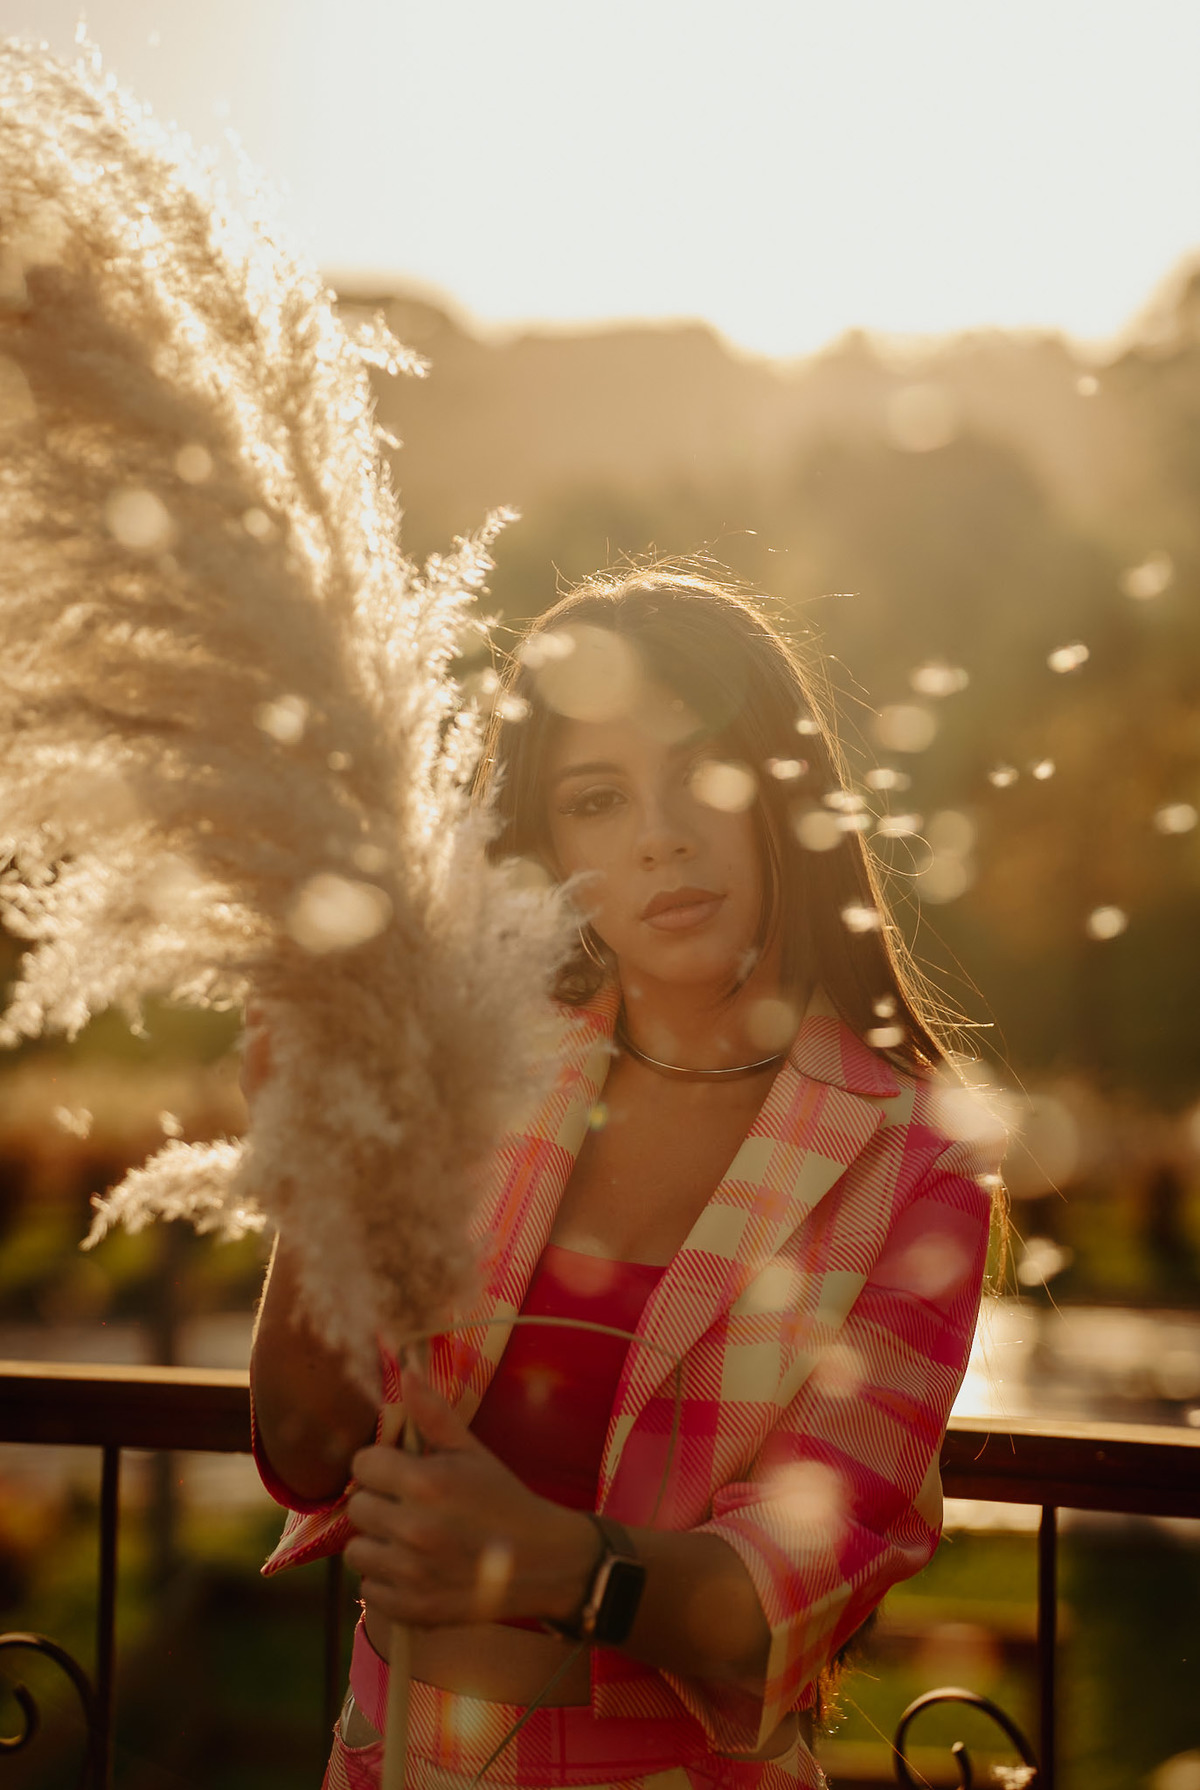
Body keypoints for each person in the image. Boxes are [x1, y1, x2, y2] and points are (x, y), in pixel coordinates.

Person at [247, 568, 1000, 1790]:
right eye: (598, 799)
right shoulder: (479, 1065)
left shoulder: (915, 1161)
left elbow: (794, 1588)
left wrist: (561, 1565)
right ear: (547, 845)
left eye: (706, 774)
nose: (662, 834)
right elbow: (311, 1441)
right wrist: (310, 1162)